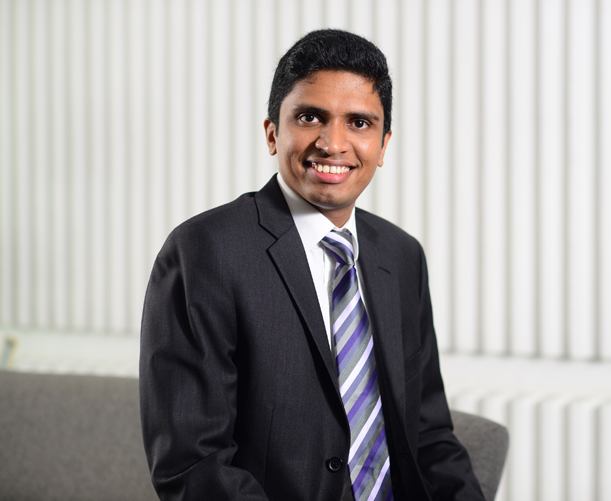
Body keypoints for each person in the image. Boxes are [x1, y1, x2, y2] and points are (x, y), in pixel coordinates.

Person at [139, 29, 485, 501]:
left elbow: (428, 436)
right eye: (309, 117)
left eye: (359, 123)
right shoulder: (205, 252)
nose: (333, 143)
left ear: (383, 145)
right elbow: (194, 465)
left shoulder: (402, 256)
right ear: (272, 133)